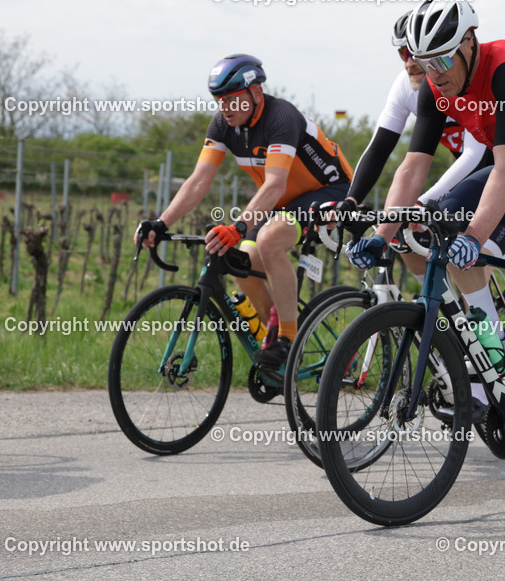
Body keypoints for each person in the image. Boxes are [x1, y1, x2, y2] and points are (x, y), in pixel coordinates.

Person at [346, 0, 505, 471]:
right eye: (425, 63)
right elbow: (412, 167)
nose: (435, 72)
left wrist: (476, 235)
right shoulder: (435, 86)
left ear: (470, 42)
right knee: (439, 226)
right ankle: (491, 353)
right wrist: (383, 234)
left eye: (443, 59)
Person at [136, 54, 352, 365]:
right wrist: (161, 222)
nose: (225, 108)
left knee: (269, 240)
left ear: (256, 94)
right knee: (240, 261)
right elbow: (198, 181)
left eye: (233, 100)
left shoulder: (281, 118)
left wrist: (237, 227)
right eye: (219, 100)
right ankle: (274, 334)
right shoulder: (223, 124)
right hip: (284, 201)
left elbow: (275, 184)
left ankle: (290, 342)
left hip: (330, 190)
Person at [337, 10, 505, 267]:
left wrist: (421, 202)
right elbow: (380, 149)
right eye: (403, 54)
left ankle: (482, 305)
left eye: (415, 54)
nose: (409, 63)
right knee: (410, 244)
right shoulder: (407, 87)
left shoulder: (465, 80)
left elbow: (474, 156)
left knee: (470, 268)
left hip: (504, 181)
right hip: (465, 185)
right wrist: (352, 199)